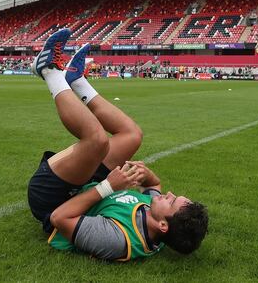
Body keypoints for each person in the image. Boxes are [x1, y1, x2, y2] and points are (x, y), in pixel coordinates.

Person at [27, 28, 208, 261]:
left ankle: (49, 71)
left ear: (163, 225)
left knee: (97, 141)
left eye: (172, 201)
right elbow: (154, 184)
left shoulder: (118, 240)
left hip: (52, 198)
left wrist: (108, 187)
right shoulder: (157, 217)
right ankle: (77, 81)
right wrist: (146, 174)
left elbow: (59, 219)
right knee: (133, 135)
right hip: (88, 186)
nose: (169, 194)